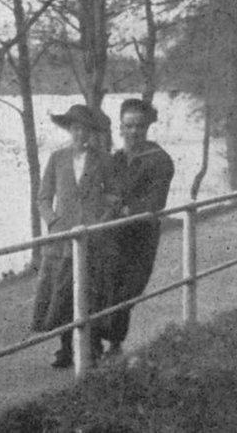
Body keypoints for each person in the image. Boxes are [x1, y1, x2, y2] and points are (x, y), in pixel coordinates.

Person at [31, 104, 118, 368]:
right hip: (61, 239)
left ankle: (91, 346)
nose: (80, 134)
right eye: (75, 128)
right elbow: (43, 197)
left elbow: (114, 197)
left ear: (92, 133)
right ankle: (66, 348)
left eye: (85, 130)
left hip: (92, 237)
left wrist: (100, 222)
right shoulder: (57, 158)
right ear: (69, 130)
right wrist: (53, 221)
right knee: (61, 293)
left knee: (90, 291)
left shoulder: (102, 159)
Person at [103, 98, 175, 357]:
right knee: (105, 285)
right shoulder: (114, 160)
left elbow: (155, 202)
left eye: (139, 127)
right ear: (121, 128)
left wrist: (124, 208)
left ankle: (114, 342)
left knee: (128, 290)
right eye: (128, 126)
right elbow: (103, 194)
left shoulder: (159, 160)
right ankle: (100, 343)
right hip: (111, 236)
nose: (133, 132)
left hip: (140, 238)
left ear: (147, 128)